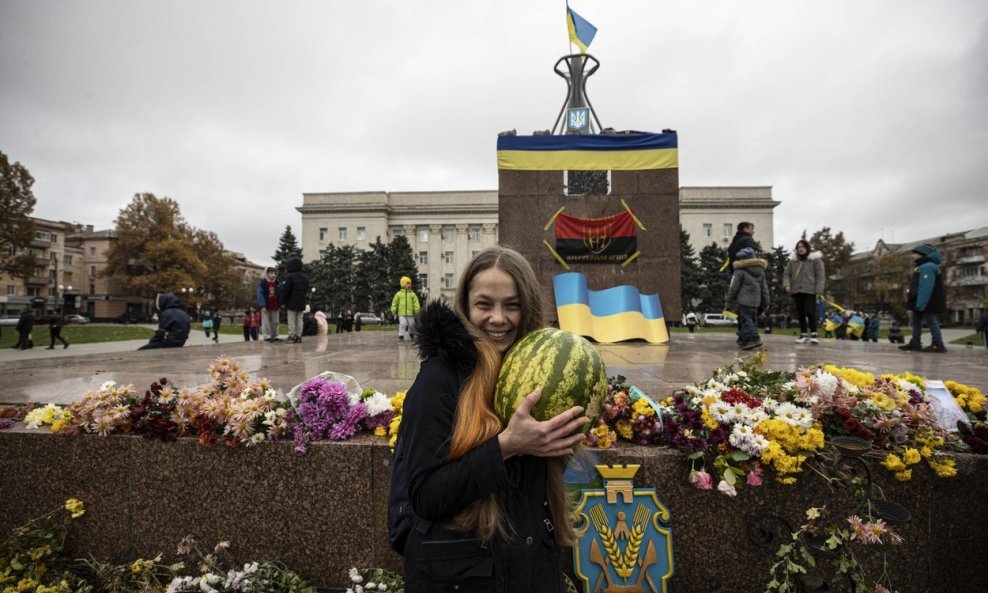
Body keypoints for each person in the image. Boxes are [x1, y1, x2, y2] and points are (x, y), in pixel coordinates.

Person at [389, 245, 589, 593]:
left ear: (527, 308)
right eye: (484, 304)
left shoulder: (537, 372)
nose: (498, 319)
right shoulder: (439, 377)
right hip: (460, 576)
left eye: (511, 305)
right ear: (466, 306)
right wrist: (506, 447)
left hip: (531, 568)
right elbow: (424, 496)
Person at [899, 243, 948, 353]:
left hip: (929, 300)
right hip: (919, 299)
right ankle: (915, 342)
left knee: (931, 321)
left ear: (923, 254)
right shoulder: (921, 266)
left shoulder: (928, 267)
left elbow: (926, 287)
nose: (913, 255)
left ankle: (938, 344)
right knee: (916, 320)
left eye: (915, 253)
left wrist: (921, 303)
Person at [726, 247, 770, 350]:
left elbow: (734, 287)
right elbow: (764, 288)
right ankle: (744, 340)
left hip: (744, 301)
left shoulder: (740, 271)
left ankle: (754, 339)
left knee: (746, 321)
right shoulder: (761, 271)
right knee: (752, 320)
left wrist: (728, 299)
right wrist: (767, 301)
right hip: (756, 301)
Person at [783, 239, 825, 344]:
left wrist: (819, 290)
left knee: (810, 312)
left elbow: (820, 276)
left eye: (803, 246)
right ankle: (803, 334)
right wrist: (787, 284)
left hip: (810, 290)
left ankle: (814, 334)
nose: (800, 249)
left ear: (807, 247)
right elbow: (786, 274)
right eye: (798, 247)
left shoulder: (815, 260)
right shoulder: (793, 261)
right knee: (800, 313)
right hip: (797, 290)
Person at [278, 257, 310, 344]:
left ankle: (291, 336)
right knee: (299, 319)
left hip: (291, 302)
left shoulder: (289, 276)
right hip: (301, 301)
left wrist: (282, 301)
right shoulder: (305, 276)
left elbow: (286, 290)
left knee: (291, 319)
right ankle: (299, 336)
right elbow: (307, 288)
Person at [390, 276, 421, 342]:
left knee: (412, 324)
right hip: (401, 313)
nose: (409, 285)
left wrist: (416, 309)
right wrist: (393, 310)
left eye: (410, 283)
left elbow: (416, 302)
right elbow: (394, 302)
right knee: (403, 323)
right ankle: (401, 336)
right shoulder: (399, 294)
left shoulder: (412, 294)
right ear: (403, 284)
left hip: (410, 313)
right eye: (407, 283)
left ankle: (411, 334)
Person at [257, 267, 282, 342]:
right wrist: (263, 305)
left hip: (275, 305)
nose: (273, 275)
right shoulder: (262, 283)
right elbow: (260, 294)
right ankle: (267, 336)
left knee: (275, 322)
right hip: (266, 306)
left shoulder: (277, 283)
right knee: (266, 322)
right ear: (267, 274)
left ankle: (274, 336)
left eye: (274, 273)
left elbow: (280, 293)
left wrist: (280, 303)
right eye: (271, 273)